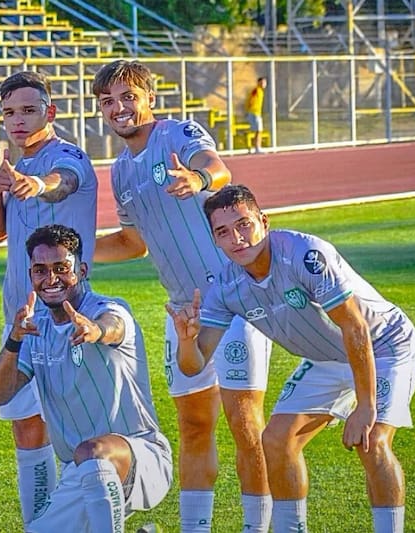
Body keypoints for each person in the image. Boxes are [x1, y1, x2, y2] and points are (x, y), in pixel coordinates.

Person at [170, 184, 415, 533]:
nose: (238, 238)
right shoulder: (226, 287)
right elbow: (194, 365)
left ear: (264, 221)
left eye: (244, 224)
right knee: (275, 440)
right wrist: (187, 340)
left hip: (384, 345)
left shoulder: (304, 254)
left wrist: (365, 406)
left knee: (373, 441)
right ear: (215, 240)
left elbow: (355, 327)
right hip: (327, 358)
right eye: (224, 232)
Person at [91, 59, 274, 532]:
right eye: (108, 101)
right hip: (183, 314)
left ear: (148, 97)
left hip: (233, 304)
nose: (119, 108)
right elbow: (134, 241)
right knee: (194, 428)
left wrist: (198, 180)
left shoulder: (178, 134)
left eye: (128, 97)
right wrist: (75, 251)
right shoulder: (120, 170)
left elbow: (215, 166)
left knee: (245, 428)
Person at [0, 224, 173, 532]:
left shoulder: (107, 308)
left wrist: (95, 330)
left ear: (82, 270)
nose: (51, 279)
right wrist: (14, 340)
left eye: (61, 268)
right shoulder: (35, 329)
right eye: (40, 270)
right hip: (78, 471)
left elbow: (113, 325)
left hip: (141, 458)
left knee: (92, 452)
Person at [0, 70, 99, 525]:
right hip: (23, 320)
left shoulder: (68, 156)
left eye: (29, 110)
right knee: (27, 430)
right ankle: (40, 524)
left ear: (50, 112)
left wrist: (40, 184)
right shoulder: (13, 166)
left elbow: (64, 180)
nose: (18, 120)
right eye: (9, 112)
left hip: (70, 318)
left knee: (80, 432)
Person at [245, 77, 267, 154]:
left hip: (257, 113)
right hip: (254, 113)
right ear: (259, 82)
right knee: (258, 130)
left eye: (265, 82)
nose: (264, 84)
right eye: (263, 82)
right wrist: (249, 110)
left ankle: (257, 147)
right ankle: (257, 148)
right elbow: (250, 100)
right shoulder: (256, 90)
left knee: (259, 131)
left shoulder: (261, 91)